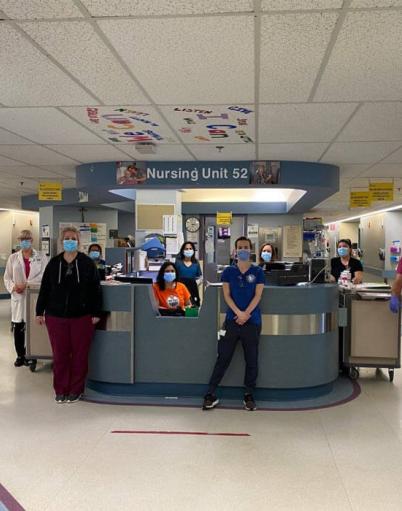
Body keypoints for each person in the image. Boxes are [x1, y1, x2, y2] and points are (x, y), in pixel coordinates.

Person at [35, 226, 102, 404]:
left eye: (73, 238)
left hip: (82, 317)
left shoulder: (87, 263)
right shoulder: (54, 263)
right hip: (55, 316)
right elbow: (45, 288)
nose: (70, 241)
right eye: (67, 238)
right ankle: (60, 389)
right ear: (62, 241)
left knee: (80, 355)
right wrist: (39, 311)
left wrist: (96, 312)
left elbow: (96, 290)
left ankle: (76, 389)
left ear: (78, 242)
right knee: (60, 355)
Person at [203, 236, 265, 411]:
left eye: (246, 247)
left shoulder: (258, 272)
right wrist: (239, 313)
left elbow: (258, 296)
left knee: (251, 360)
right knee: (223, 358)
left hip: (252, 322)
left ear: (251, 249)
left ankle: (248, 395)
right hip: (232, 321)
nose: (243, 250)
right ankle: (211, 393)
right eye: (240, 247)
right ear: (235, 251)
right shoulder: (229, 272)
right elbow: (227, 295)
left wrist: (246, 314)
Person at [3, 230, 48, 367]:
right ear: (19, 240)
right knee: (18, 326)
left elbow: (44, 276)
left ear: (32, 240)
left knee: (32, 327)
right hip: (18, 296)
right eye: (22, 239)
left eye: (27, 239)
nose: (25, 241)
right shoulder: (13, 258)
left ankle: (32, 354)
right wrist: (13, 287)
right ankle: (20, 356)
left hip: (34, 296)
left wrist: (27, 285)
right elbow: (7, 277)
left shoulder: (40, 256)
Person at [175, 242, 202, 306]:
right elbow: (174, 277)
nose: (188, 250)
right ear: (183, 251)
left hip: (193, 290)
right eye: (186, 249)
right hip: (180, 290)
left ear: (193, 250)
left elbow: (199, 277)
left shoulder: (196, 263)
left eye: (190, 248)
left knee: (192, 308)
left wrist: (196, 282)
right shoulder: (178, 263)